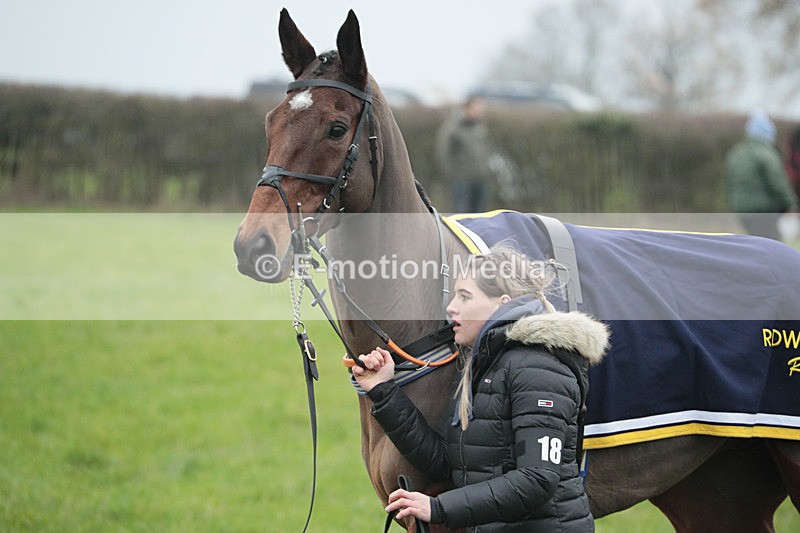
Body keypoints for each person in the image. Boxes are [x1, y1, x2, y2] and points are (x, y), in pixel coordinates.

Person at [351, 246, 610, 531]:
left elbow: (537, 479)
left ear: (502, 303)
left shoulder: (538, 367)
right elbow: (448, 463)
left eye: (465, 296)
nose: (451, 308)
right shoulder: (483, 365)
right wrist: (384, 390)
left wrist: (437, 507)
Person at [724, 110, 799, 240]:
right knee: (773, 247)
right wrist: (791, 205)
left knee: (756, 244)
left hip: (741, 211)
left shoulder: (735, 153)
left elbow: (728, 183)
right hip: (764, 211)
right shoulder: (766, 154)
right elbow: (778, 183)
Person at [436, 97, 496, 213]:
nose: (479, 113)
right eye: (476, 109)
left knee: (480, 215)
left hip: (481, 178)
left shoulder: (479, 127)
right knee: (462, 214)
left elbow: (486, 150)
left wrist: (487, 170)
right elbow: (444, 153)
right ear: (466, 109)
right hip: (462, 179)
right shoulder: (453, 127)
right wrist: (454, 174)